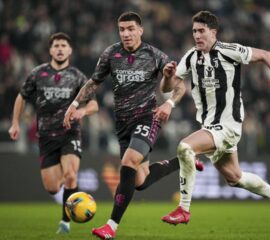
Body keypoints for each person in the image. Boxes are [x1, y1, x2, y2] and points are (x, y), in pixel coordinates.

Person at [63, 12, 203, 239]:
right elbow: (93, 83)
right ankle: (184, 161)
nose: (126, 33)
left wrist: (168, 103)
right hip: (123, 125)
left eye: (130, 29)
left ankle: (111, 226)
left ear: (140, 30)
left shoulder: (154, 55)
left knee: (128, 163)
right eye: (122, 29)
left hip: (148, 118)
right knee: (140, 181)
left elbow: (179, 87)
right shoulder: (111, 53)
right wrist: (75, 103)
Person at [161, 11, 270, 227]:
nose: (197, 36)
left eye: (201, 31)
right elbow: (167, 88)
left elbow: (267, 55)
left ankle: (184, 209)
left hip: (227, 126)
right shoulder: (191, 57)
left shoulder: (228, 51)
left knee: (185, 148)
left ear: (213, 32)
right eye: (194, 31)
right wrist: (167, 76)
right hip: (210, 126)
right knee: (235, 178)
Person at [8, 32, 99, 234]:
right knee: (51, 187)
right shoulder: (37, 74)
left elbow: (94, 104)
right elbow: (21, 97)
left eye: (63, 45)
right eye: (56, 45)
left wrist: (83, 111)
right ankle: (68, 198)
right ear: (50, 50)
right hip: (46, 136)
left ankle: (65, 222)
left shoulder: (77, 76)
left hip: (70, 133)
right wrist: (15, 123)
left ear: (70, 50)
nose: (59, 48)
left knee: (70, 175)